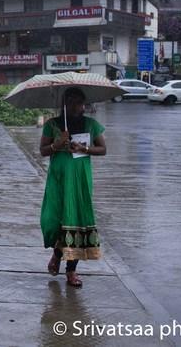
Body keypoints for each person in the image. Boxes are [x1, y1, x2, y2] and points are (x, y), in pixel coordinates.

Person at [38, 87, 107, 288]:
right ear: (65, 104)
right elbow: (42, 151)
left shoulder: (91, 125)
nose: (77, 106)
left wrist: (84, 148)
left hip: (80, 179)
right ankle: (57, 254)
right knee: (53, 219)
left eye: (80, 102)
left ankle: (71, 271)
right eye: (72, 102)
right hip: (58, 179)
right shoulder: (52, 125)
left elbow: (103, 149)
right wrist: (57, 145)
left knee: (76, 218)